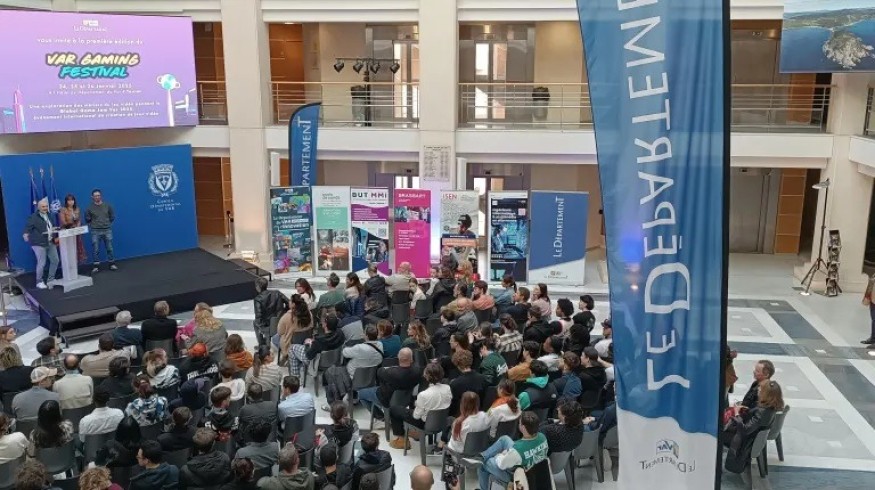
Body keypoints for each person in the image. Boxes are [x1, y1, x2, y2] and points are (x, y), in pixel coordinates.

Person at [723, 380, 785, 474]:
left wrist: (736, 413)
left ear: (766, 394)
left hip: (745, 443)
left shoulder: (762, 412)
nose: (758, 390)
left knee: (717, 433)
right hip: (752, 439)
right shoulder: (771, 408)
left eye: (761, 389)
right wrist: (748, 411)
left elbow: (745, 429)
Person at [478, 411, 548, 490]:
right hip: (534, 472)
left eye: (519, 423)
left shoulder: (517, 450)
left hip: (518, 478)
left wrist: (499, 455)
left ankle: (481, 462)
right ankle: (482, 456)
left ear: (523, 428)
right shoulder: (542, 437)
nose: (519, 424)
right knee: (505, 439)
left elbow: (501, 464)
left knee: (484, 463)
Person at [389, 363, 452, 450]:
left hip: (425, 423)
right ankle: (414, 434)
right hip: (442, 421)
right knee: (413, 403)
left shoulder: (423, 395)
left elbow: (416, 416)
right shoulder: (447, 388)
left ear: (426, 376)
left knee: (394, 410)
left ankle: (402, 440)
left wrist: (417, 404)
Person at [358, 347, 422, 422]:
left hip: (386, 399)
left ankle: (380, 416)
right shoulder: (417, 371)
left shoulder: (390, 372)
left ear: (398, 357)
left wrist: (390, 368)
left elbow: (379, 372)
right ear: (411, 359)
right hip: (406, 399)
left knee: (360, 394)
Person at [23, 197, 59, 289]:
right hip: (38, 243)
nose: (45, 208)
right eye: (43, 206)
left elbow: (51, 226)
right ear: (38, 207)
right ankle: (39, 282)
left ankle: (51, 280)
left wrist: (55, 231)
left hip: (50, 241)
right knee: (41, 263)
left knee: (55, 260)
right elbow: (27, 228)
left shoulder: (49, 215)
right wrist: (25, 234)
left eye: (46, 206)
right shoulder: (33, 217)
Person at [277, 294, 313, 374]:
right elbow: (311, 326)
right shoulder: (309, 314)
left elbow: (280, 331)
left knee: (276, 337)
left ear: (293, 304)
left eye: (290, 300)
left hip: (290, 344)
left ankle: (285, 356)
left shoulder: (287, 317)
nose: (288, 302)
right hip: (306, 342)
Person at [448, 350, 488, 417]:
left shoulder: (455, 384)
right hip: (480, 413)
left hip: (462, 416)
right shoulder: (483, 378)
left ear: (457, 364)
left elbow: (453, 408)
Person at [85, 189, 117, 272]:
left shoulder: (107, 206)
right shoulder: (89, 208)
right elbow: (87, 219)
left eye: (98, 195)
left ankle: (112, 264)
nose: (97, 197)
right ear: (92, 197)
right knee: (95, 249)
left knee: (110, 248)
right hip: (95, 231)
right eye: (95, 196)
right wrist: (94, 225)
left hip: (107, 230)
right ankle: (96, 266)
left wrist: (106, 223)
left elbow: (112, 217)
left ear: (101, 196)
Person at [253, 278, 289, 347]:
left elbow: (258, 316)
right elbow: (289, 303)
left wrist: (263, 328)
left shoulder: (258, 299)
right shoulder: (277, 293)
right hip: (280, 320)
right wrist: (284, 312)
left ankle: (262, 344)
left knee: (255, 322)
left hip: (268, 325)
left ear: (258, 287)